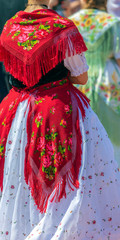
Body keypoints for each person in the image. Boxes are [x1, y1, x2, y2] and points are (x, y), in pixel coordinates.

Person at [0, 0, 120, 239]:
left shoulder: (11, 27)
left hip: (15, 109)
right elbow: (81, 77)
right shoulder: (61, 27)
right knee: (67, 178)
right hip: (55, 109)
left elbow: (12, 69)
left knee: (14, 173)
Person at [70, 0, 120, 163]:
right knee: (112, 131)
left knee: (84, 133)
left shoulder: (71, 22)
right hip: (108, 82)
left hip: (79, 79)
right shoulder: (113, 22)